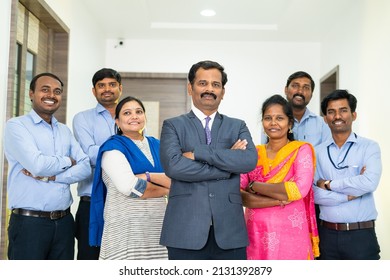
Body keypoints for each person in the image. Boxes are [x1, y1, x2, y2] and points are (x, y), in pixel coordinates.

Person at [159, 60, 258, 260]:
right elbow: (174, 167)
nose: (209, 89)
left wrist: (199, 153)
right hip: (184, 230)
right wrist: (227, 166)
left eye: (216, 85)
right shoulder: (173, 126)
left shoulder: (237, 126)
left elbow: (248, 161)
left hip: (230, 232)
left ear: (223, 91)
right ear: (190, 87)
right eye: (202, 83)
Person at [4, 72, 91, 260]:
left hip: (65, 223)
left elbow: (85, 167)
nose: (51, 95)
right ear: (31, 93)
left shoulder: (64, 131)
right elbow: (37, 165)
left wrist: (54, 177)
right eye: (45, 89)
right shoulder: (16, 126)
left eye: (57, 91)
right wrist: (68, 161)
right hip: (29, 224)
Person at [89, 96, 170, 260]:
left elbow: (177, 178)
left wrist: (147, 176)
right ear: (117, 121)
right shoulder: (112, 149)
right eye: (127, 113)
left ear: (144, 117)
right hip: (126, 229)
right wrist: (168, 189)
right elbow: (130, 187)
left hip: (158, 227)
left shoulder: (158, 145)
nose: (134, 116)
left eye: (139, 112)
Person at [240, 94, 319, 260]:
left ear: (290, 123)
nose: (273, 123)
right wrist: (278, 199)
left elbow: (298, 190)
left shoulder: (301, 150)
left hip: (291, 234)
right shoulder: (253, 153)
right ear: (262, 123)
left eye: (279, 118)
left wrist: (254, 186)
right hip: (255, 232)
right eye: (268, 118)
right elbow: (239, 195)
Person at [314, 89, 381, 260]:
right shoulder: (316, 152)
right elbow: (314, 194)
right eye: (331, 112)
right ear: (325, 118)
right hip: (326, 237)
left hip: (361, 236)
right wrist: (350, 194)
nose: (337, 116)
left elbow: (368, 183)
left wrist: (329, 184)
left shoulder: (369, 147)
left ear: (354, 114)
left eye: (343, 110)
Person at [72, 68, 122, 260]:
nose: (106, 89)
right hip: (91, 204)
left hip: (124, 202)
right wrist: (125, 154)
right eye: (101, 85)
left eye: (112, 84)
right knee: (90, 260)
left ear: (120, 88)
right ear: (94, 91)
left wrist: (106, 151)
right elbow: (90, 155)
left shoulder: (129, 116)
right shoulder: (82, 118)